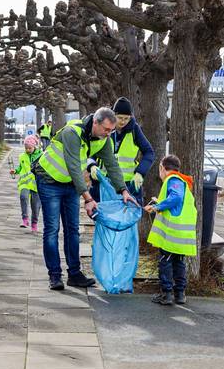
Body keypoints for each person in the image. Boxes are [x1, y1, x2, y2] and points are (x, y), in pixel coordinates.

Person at [33, 107, 137, 291]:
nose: (108, 134)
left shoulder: (104, 140)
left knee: (73, 229)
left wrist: (124, 191)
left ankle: (74, 274)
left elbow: (112, 165)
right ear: (95, 122)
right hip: (49, 180)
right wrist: (88, 198)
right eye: (106, 129)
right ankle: (55, 276)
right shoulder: (72, 132)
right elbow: (74, 167)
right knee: (52, 229)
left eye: (111, 131)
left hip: (70, 184)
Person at [144, 155, 197, 305]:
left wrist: (156, 207)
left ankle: (166, 294)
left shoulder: (173, 180)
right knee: (179, 263)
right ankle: (180, 294)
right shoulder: (182, 182)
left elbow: (176, 198)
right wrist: (158, 203)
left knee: (165, 262)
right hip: (182, 234)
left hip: (172, 233)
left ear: (162, 168)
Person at [88, 97, 154, 205]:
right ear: (113, 115)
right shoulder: (104, 128)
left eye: (126, 118)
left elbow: (149, 152)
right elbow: (90, 151)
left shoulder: (134, 130)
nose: (123, 121)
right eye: (120, 118)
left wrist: (140, 173)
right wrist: (92, 165)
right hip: (104, 182)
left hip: (128, 184)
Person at [10, 135, 43, 232]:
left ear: (35, 146)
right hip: (24, 183)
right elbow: (20, 168)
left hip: (36, 184)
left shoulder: (41, 156)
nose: (28, 150)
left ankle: (34, 223)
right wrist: (15, 171)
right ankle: (25, 219)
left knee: (35, 206)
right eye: (26, 148)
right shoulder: (22, 156)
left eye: (30, 148)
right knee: (23, 197)